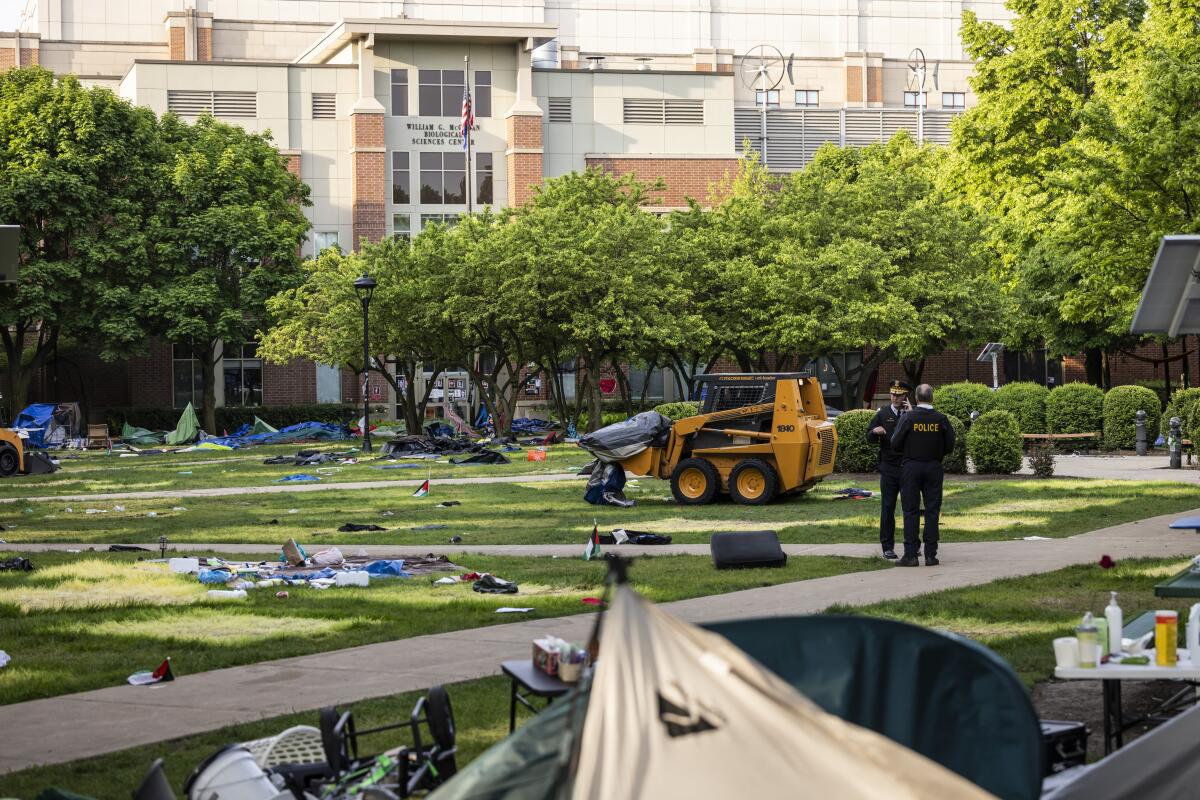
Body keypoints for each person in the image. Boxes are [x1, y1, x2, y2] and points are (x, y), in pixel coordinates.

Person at [890, 383, 954, 567]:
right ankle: (930, 555)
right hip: (933, 467)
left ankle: (910, 555)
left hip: (911, 466)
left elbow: (895, 442)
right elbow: (950, 445)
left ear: (916, 399)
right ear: (932, 398)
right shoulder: (941, 419)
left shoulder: (909, 418)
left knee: (910, 511)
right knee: (932, 511)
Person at [865, 379, 911, 559]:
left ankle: (912, 544)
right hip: (889, 468)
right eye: (892, 394)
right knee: (888, 507)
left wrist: (911, 413)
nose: (894, 398)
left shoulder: (911, 415)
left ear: (905, 396)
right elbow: (868, 436)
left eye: (898, 395)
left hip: (907, 467)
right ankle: (887, 546)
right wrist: (874, 432)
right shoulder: (882, 414)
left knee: (910, 508)